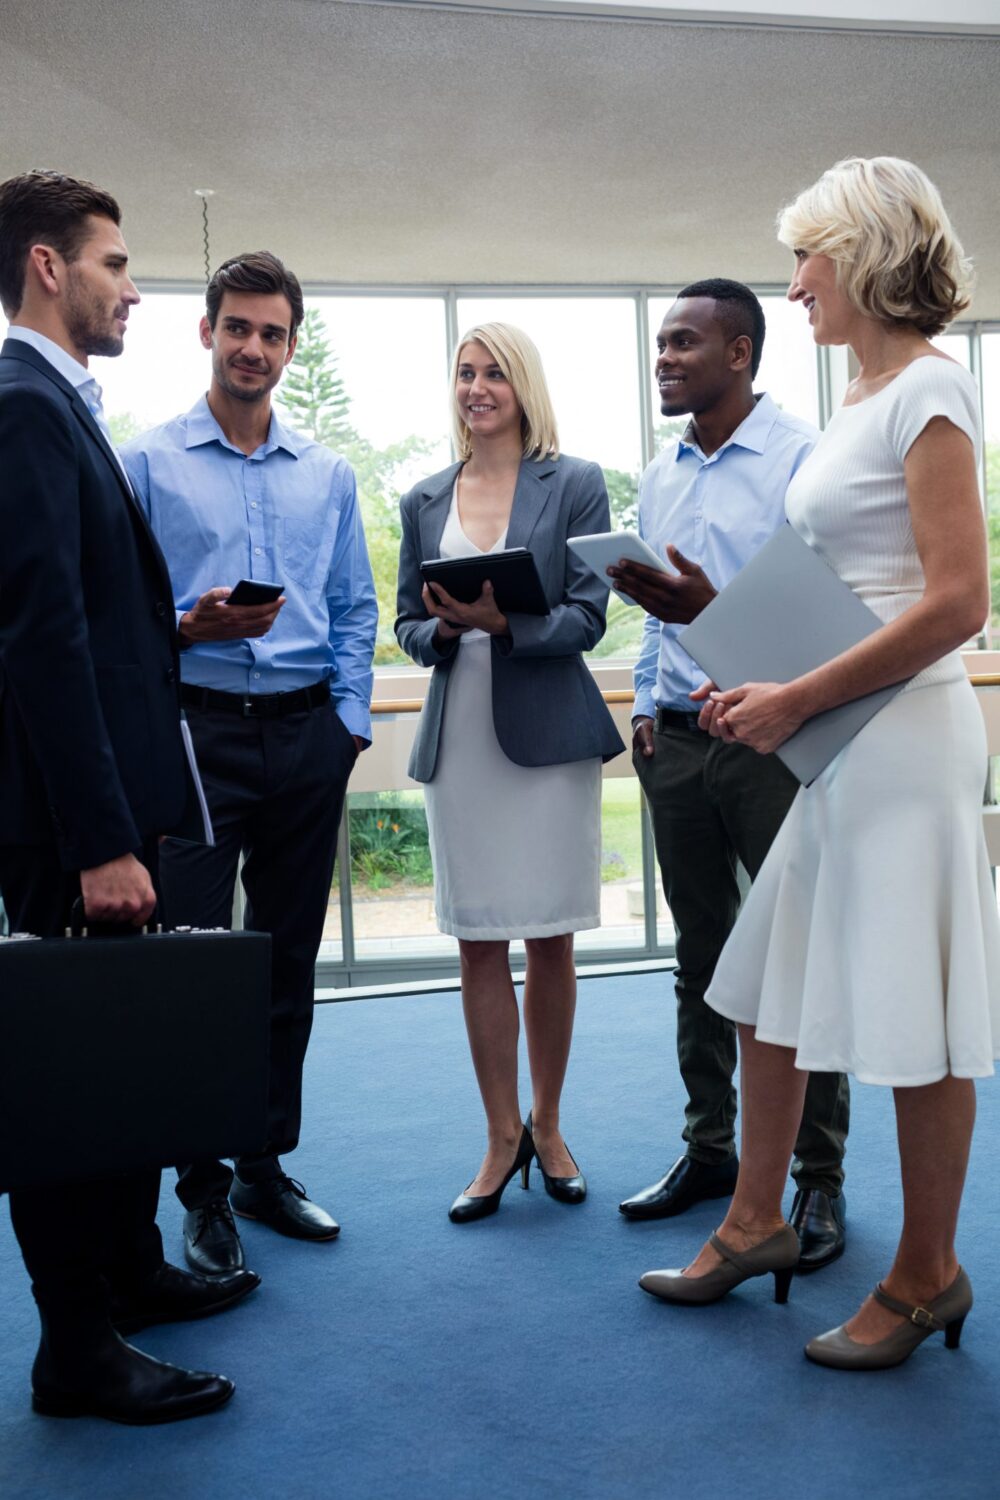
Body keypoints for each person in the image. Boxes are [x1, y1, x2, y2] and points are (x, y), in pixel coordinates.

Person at [638, 156, 1000, 1371]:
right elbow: (845, 593)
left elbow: (956, 604)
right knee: (767, 990)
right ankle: (752, 1224)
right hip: (846, 738)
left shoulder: (931, 392)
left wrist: (793, 696)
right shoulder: (857, 401)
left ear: (864, 256)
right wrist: (721, 618)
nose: (791, 282)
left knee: (914, 1016)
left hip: (902, 740)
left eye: (807, 255)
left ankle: (925, 1275)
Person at [0, 171, 258, 1424]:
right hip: (70, 825)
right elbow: (38, 640)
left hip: (103, 800)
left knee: (122, 1065)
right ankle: (76, 1348)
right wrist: (103, 840)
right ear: (47, 267)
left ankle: (134, 1273)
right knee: (70, 1080)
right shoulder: (22, 405)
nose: (133, 285)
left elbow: (90, 622)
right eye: (113, 262)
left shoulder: (58, 406)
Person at [122, 253, 377, 1275]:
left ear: (290, 345)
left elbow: (354, 606)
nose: (254, 349)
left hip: (305, 739)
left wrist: (348, 724)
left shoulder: (328, 472)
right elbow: (119, 616)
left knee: (282, 965)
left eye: (273, 334)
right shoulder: (145, 463)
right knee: (190, 971)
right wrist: (187, 625)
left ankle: (266, 1165)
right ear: (207, 333)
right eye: (238, 328)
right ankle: (201, 1191)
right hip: (193, 736)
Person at [612, 280, 850, 1270]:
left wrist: (735, 646)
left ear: (740, 353)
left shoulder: (803, 460)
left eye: (682, 343)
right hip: (676, 743)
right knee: (701, 960)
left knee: (797, 965)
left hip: (766, 743)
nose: (663, 358)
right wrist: (639, 702)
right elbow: (650, 608)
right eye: (660, 343)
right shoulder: (661, 471)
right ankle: (710, 1151)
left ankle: (816, 1177)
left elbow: (822, 617)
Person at [395, 322, 624, 1221]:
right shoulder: (421, 496)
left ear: (524, 386)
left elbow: (587, 614)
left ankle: (552, 1125)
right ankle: (499, 1137)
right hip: (463, 749)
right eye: (464, 373)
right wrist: (448, 627)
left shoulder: (574, 483)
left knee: (551, 937)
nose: (477, 387)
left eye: (493, 373)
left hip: (548, 740)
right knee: (477, 937)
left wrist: (505, 626)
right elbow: (406, 627)